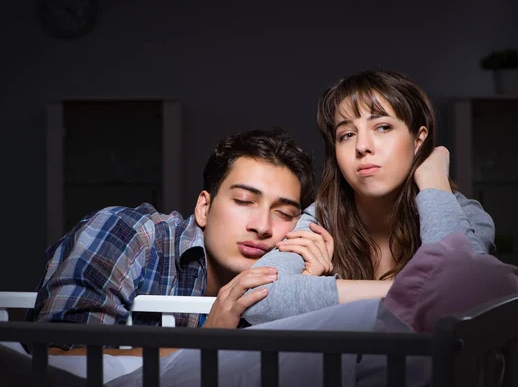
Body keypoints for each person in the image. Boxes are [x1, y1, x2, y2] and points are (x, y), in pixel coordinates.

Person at [26, 128, 331, 355]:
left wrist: (308, 295)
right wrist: (202, 346)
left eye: (284, 213)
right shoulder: (130, 233)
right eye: (243, 200)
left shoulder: (287, 271)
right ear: (204, 207)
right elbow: (56, 359)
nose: (262, 226)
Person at [242, 69, 497, 324]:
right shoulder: (321, 219)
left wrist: (433, 179)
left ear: (419, 140)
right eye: (347, 134)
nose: (363, 146)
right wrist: (416, 293)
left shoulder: (465, 215)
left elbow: (464, 291)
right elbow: (255, 296)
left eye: (382, 127)